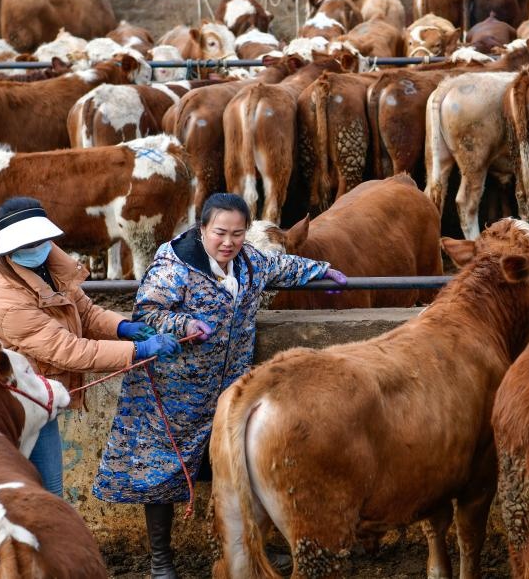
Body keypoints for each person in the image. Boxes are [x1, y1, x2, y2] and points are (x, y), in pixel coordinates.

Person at [92, 193, 347, 579]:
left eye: (238, 234)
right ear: (202, 229)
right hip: (173, 390)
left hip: (228, 390)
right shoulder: (173, 266)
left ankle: (244, 549)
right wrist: (184, 325)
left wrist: (321, 270)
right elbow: (148, 312)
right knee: (160, 470)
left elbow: (279, 267)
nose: (228, 242)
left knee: (234, 467)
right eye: (220, 233)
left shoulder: (247, 262)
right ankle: (161, 561)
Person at [0, 197, 181, 497]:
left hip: (33, 393)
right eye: (25, 246)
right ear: (8, 251)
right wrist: (137, 351)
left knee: (49, 489)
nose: (36, 249)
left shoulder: (48, 262)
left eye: (39, 241)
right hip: (1, 403)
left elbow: (85, 311)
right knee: (10, 493)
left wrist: (123, 328)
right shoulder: (6, 302)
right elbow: (69, 350)